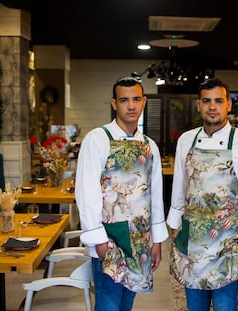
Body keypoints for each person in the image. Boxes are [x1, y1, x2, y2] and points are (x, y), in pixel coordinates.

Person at [167, 78, 238, 311]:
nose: (212, 106)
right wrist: (175, 225)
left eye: (218, 101)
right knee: (195, 304)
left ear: (228, 105)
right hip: (192, 240)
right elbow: (180, 185)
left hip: (227, 242)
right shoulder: (186, 141)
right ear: (198, 105)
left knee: (226, 305)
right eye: (206, 101)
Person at [75, 76, 169, 311]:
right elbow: (86, 192)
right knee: (108, 304)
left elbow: (155, 195)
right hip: (110, 239)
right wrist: (98, 239)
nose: (131, 105)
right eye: (124, 100)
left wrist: (156, 240)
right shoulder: (97, 139)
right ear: (114, 103)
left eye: (136, 99)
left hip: (140, 239)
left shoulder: (150, 145)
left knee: (127, 304)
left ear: (144, 102)